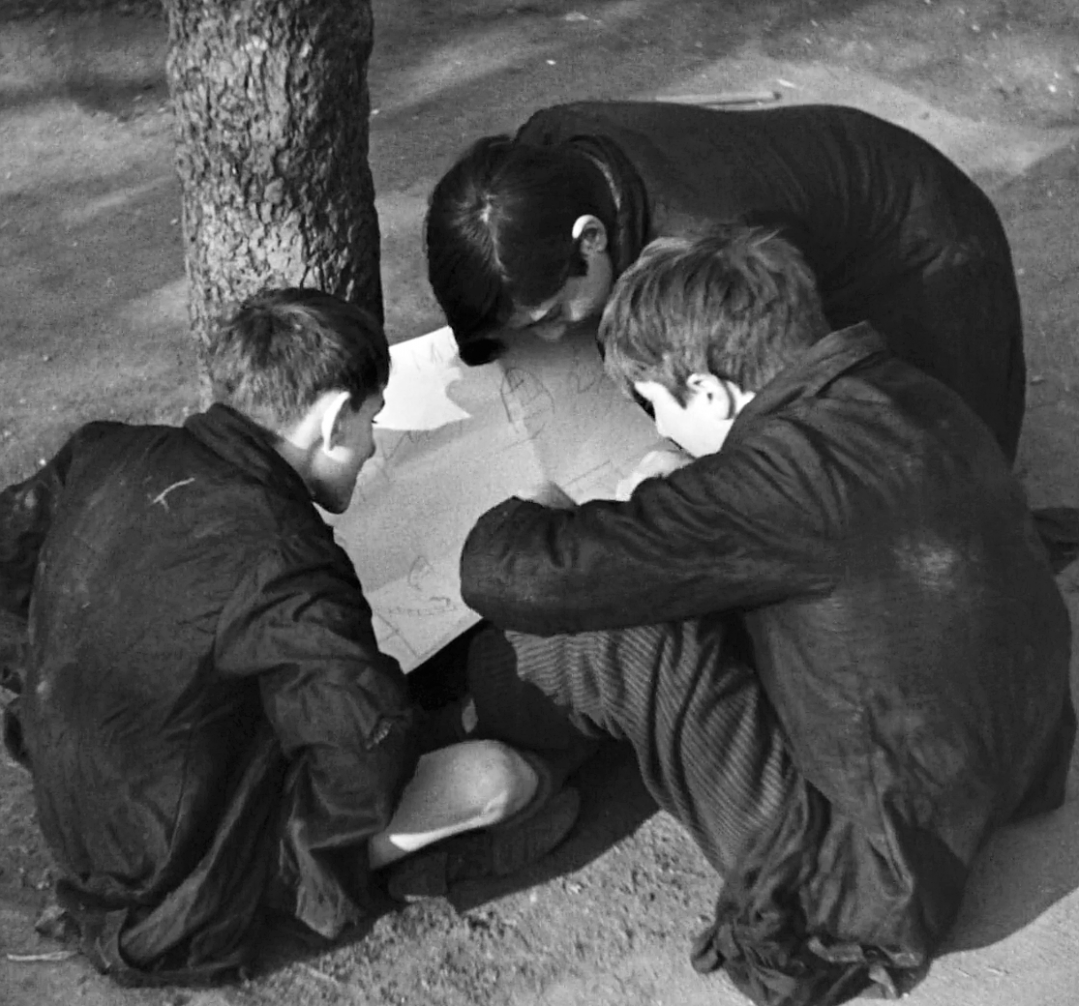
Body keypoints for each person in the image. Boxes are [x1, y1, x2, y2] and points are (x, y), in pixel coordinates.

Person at [457, 228, 1075, 1006]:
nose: (661, 432)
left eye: (657, 408)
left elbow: (508, 573)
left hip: (863, 881)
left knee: (599, 631)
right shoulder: (906, 390)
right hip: (1014, 757)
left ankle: (488, 747)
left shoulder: (772, 483)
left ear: (710, 392)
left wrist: (549, 509)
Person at [0, 288, 579, 984]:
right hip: (177, 900)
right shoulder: (280, 551)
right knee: (503, 778)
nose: (373, 446)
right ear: (336, 418)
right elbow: (365, 746)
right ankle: (350, 879)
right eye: (372, 421)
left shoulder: (105, 450)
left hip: (86, 827)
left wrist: (39, 686)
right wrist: (314, 866)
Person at [425, 100, 1025, 461]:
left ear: (591, 238)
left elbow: (777, 403)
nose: (555, 341)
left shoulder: (708, 246)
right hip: (817, 178)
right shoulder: (540, 158)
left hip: (922, 243)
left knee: (938, 452)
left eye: (553, 315)